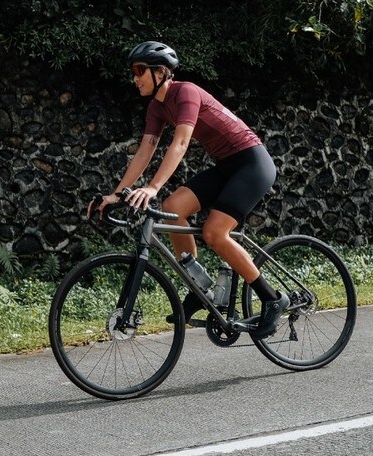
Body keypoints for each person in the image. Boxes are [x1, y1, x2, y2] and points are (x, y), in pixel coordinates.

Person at [89, 41, 289, 340]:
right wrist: (118, 194)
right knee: (173, 210)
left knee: (214, 233)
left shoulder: (186, 92)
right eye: (134, 71)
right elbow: (145, 150)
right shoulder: (156, 106)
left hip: (252, 163)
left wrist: (153, 187)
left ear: (161, 72)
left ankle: (273, 298)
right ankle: (199, 287)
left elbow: (180, 143)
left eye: (140, 70)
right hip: (226, 166)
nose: (135, 77)